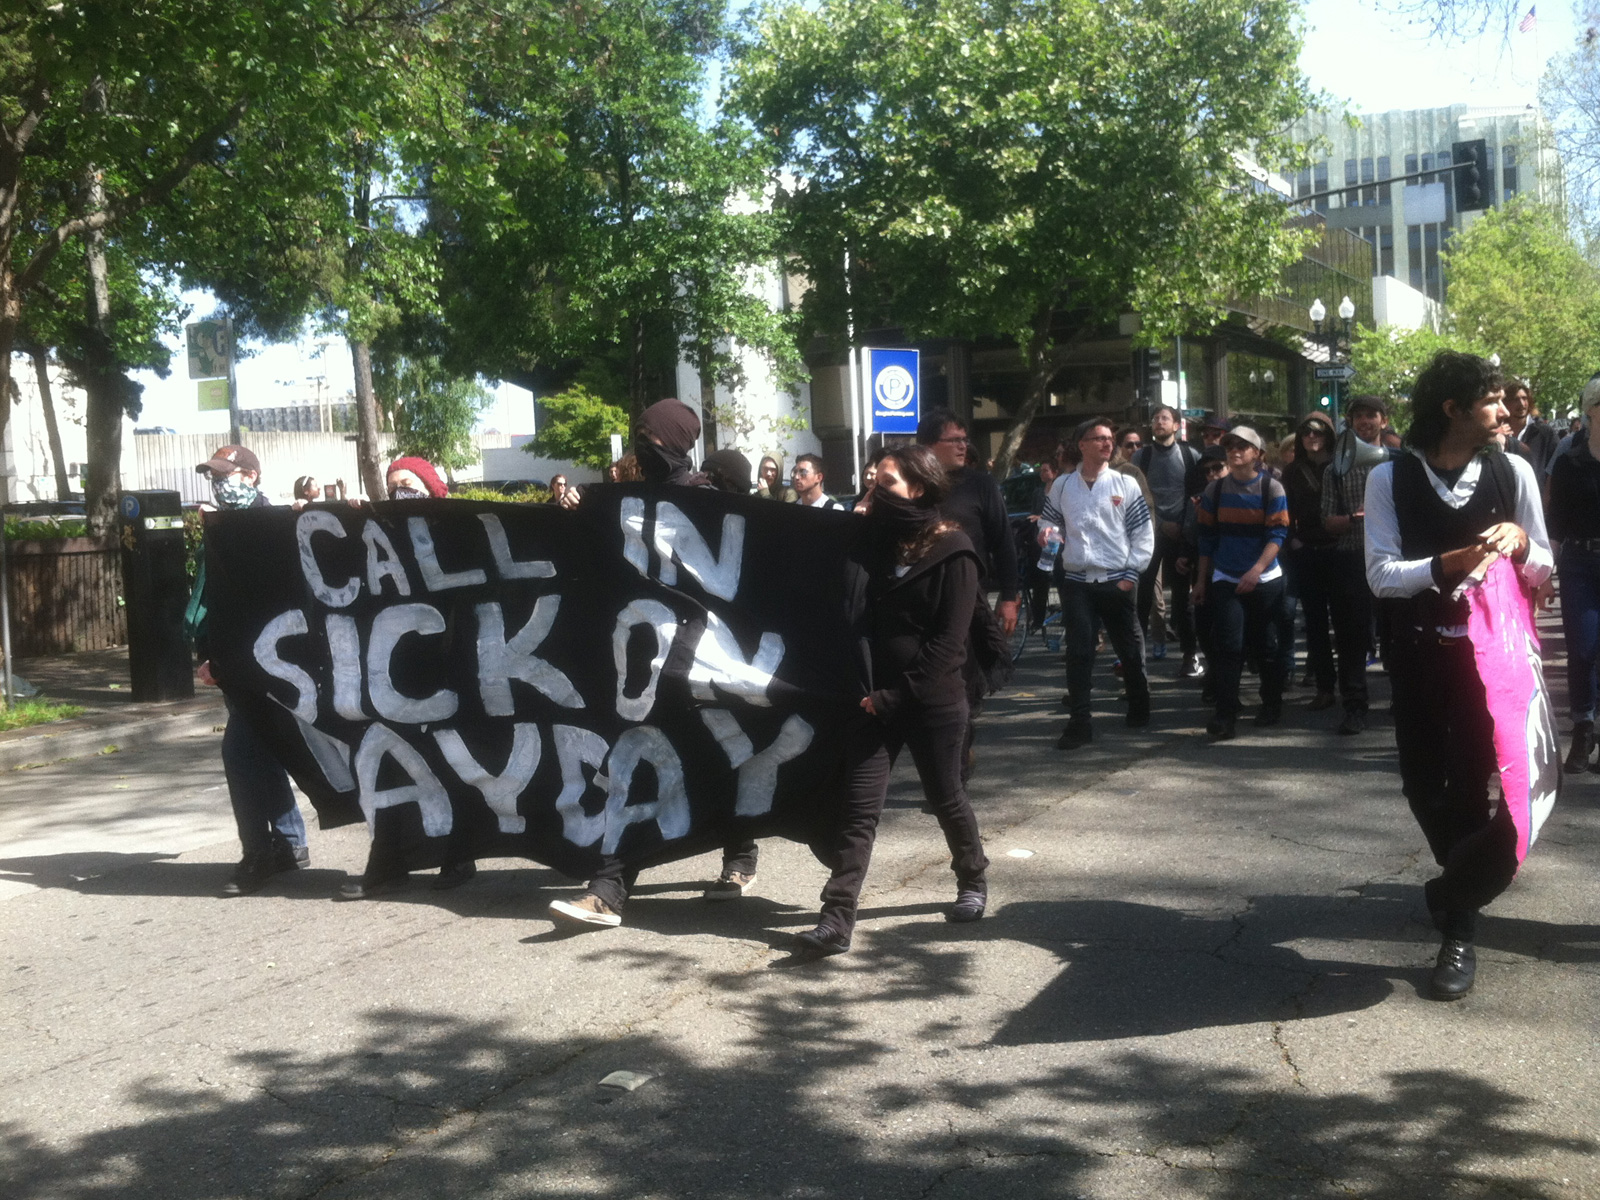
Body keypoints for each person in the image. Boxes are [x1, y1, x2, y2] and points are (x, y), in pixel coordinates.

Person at [1364, 350, 1552, 1000]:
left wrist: (1525, 548)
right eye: (1492, 400)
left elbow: (1544, 569)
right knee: (1422, 784)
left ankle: (1459, 928)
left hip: (1489, 665)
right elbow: (1382, 575)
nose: (1505, 410)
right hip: (1417, 655)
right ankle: (1456, 885)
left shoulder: (1514, 471)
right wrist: (1452, 560)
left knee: (1472, 789)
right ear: (1453, 409)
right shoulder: (1390, 478)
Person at [549, 399, 761, 927]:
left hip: (701, 661)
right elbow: (588, 557)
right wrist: (572, 509)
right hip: (644, 663)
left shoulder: (705, 502)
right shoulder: (622, 498)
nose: (647, 450)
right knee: (634, 761)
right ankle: (609, 886)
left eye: (657, 441)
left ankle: (739, 851)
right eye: (642, 439)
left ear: (679, 446)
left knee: (716, 760)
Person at [796, 445, 990, 956]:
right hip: (872, 702)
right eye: (871, 482)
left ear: (918, 489)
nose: (875, 490)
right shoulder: (876, 541)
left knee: (945, 797)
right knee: (858, 810)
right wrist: (858, 522)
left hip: (931, 702)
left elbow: (949, 646)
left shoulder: (955, 550)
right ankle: (836, 918)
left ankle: (972, 879)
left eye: (886, 482)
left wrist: (895, 697)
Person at [339, 454, 478, 898]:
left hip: (450, 664)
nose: (399, 492)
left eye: (408, 484)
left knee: (450, 760)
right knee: (390, 764)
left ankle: (459, 853)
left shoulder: (456, 528)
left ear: (429, 488)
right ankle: (388, 856)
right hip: (397, 668)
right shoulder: (381, 533)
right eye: (392, 484)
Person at [189, 445, 311, 897]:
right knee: (264, 751)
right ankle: (289, 844)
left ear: (253, 477)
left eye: (229, 474)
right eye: (214, 476)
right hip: (232, 661)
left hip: (271, 661)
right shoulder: (220, 528)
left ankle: (258, 852)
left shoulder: (275, 524)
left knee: (240, 754)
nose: (221, 483)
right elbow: (216, 599)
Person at [1039, 418, 1154, 749]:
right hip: (1077, 580)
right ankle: (1079, 722)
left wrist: (1132, 574)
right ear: (1082, 445)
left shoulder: (1125, 483)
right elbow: (1049, 520)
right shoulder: (1062, 485)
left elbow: (1142, 533)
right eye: (1099, 438)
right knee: (1078, 652)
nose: (1108, 443)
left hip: (1117, 578)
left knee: (1128, 648)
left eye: (1110, 438)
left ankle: (1139, 701)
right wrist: (1047, 533)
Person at [917, 409, 1019, 779]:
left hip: (968, 604)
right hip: (918, 605)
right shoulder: (912, 483)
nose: (964, 446)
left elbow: (1004, 544)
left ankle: (954, 772)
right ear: (930, 445)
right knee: (926, 687)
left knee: (962, 689)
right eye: (954, 440)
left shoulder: (980, 485)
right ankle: (947, 763)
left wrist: (1010, 597)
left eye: (965, 440)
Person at [1192, 426, 1290, 741]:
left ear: (1258, 454)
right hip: (1226, 578)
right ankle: (1225, 715)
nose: (1235, 451)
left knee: (1265, 646)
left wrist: (1256, 570)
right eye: (1230, 446)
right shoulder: (1215, 491)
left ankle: (1271, 704)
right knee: (1228, 645)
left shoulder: (1271, 489)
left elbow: (1278, 534)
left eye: (1243, 446)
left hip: (1264, 579)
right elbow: (1206, 538)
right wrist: (1201, 582)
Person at [1320, 395, 1393, 735]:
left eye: (1371, 416)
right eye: (1358, 417)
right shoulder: (1335, 469)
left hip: (1394, 559)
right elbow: (1327, 522)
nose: (1365, 422)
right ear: (1349, 422)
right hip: (1352, 558)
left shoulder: (1400, 463)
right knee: (1351, 638)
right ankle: (1354, 706)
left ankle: (1403, 701)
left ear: (1384, 420)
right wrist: (1353, 518)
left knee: (1397, 632)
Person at [1546, 376, 1600, 771]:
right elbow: (1555, 521)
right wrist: (1547, 567)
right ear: (1590, 410)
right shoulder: (1568, 460)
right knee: (1581, 648)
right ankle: (1582, 729)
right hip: (1579, 561)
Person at [1134, 405, 1203, 678]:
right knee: (1141, 599)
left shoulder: (1190, 455)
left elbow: (1196, 496)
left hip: (1181, 536)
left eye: (1164, 418)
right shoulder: (1142, 456)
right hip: (1149, 536)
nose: (1158, 422)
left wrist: (1182, 528)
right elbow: (1136, 496)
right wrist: (1162, 525)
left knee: (1183, 600)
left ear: (1176, 425)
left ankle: (1190, 655)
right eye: (1155, 418)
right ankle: (1134, 660)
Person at [1281, 413, 1340, 713]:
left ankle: (1353, 687)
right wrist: (1293, 539)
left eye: (1318, 432)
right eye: (1306, 433)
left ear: (1329, 435)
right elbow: (1285, 511)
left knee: (1345, 623)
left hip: (1340, 550)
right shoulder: (1291, 472)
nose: (1312, 437)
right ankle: (1325, 687)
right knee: (1315, 624)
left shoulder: (1342, 465)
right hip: (1307, 550)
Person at [1505, 378, 1560, 477]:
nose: (1522, 404)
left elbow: (1555, 469)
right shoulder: (1498, 433)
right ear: (1505, 403)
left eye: (1524, 398)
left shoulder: (1545, 433)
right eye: (1515, 399)